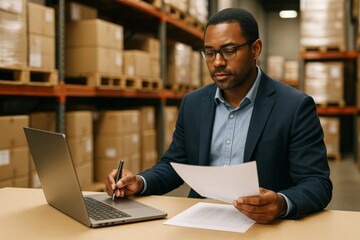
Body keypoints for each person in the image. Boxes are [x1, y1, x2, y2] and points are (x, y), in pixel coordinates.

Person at [105, 7, 332, 224]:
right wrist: (139, 182)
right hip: (200, 220)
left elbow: (317, 183)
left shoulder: (294, 106)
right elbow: (174, 164)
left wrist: (281, 204)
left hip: (261, 225)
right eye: (210, 52)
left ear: (255, 49)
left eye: (229, 51)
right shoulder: (193, 103)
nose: (218, 62)